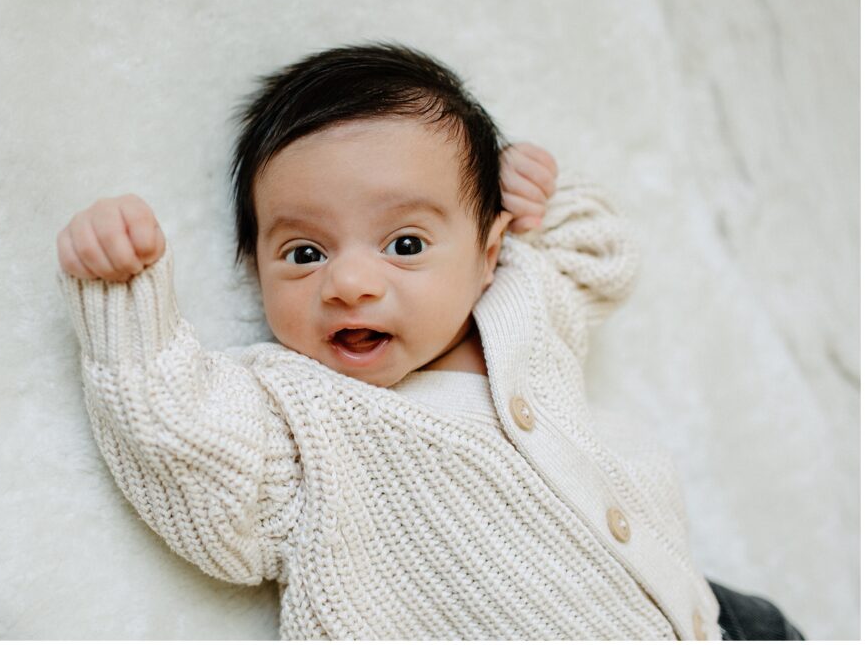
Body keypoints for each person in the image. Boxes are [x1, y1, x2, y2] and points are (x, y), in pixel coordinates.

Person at [55, 42, 804, 640]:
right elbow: (186, 457)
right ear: (255, 274)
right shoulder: (301, 414)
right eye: (304, 253)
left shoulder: (520, 301)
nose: (349, 282)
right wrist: (125, 297)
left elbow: (599, 254)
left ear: (486, 255)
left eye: (405, 243)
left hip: (717, 613)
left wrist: (534, 195)